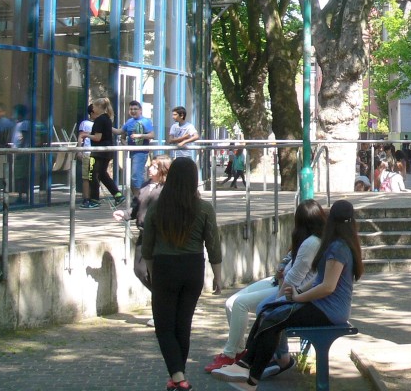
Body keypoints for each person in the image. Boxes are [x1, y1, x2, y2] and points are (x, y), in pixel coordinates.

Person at [214, 199, 363, 387]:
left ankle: (250, 376)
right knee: (268, 311)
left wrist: (298, 297)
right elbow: (318, 281)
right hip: (324, 307)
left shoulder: (338, 247)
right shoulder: (338, 244)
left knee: (273, 319)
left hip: (329, 311)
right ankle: (245, 369)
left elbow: (327, 287)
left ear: (331, 219)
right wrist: (298, 291)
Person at [204, 200, 326, 373]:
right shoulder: (307, 239)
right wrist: (280, 270)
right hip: (279, 281)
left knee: (242, 304)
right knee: (231, 303)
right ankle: (238, 351)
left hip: (287, 288)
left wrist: (278, 298)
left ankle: (231, 354)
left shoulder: (312, 243)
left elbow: (295, 278)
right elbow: (289, 259)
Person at [142, 156, 223, 391]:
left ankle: (178, 376)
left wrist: (151, 271)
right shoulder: (205, 208)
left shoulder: (157, 206)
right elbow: (213, 245)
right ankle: (179, 376)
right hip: (193, 269)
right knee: (183, 324)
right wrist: (217, 275)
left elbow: (147, 247)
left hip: (164, 268)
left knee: (164, 326)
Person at [115, 154, 172, 291]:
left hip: (160, 236)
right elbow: (137, 206)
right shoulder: (145, 185)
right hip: (144, 234)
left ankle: (163, 296)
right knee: (139, 270)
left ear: (163, 169)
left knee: (159, 270)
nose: (149, 169)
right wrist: (125, 214)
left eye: (154, 166)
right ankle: (159, 293)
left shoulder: (168, 189)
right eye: (150, 165)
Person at [87, 97, 124, 210]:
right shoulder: (107, 118)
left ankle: (94, 199)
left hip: (99, 152)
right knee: (102, 174)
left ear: (99, 107)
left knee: (93, 174)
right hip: (106, 151)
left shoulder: (99, 120)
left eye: (93, 106)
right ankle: (117, 195)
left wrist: (85, 135)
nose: (92, 108)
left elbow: (98, 137)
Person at [122, 100, 155, 191]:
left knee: (136, 175)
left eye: (135, 109)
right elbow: (122, 134)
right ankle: (137, 197)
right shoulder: (129, 121)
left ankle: (139, 198)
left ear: (140, 110)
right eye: (131, 109)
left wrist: (139, 135)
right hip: (130, 152)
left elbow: (152, 135)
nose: (133, 111)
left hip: (141, 152)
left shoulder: (145, 121)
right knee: (132, 176)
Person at [77, 105, 98, 208]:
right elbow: (81, 137)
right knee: (86, 177)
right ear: (92, 113)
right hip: (87, 152)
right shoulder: (85, 123)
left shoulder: (101, 123)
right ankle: (86, 198)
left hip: (97, 153)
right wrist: (79, 150)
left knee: (95, 176)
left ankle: (94, 198)